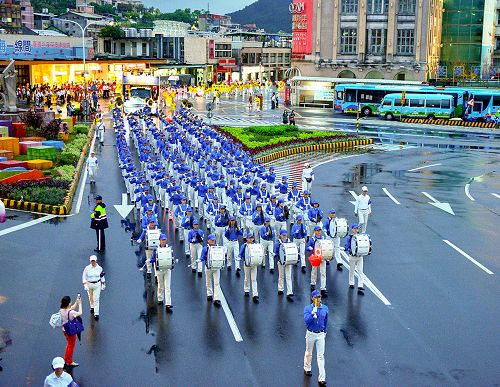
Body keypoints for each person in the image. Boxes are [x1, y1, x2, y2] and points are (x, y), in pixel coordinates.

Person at [303, 290, 328, 386]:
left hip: (320, 334)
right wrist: (312, 315)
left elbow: (326, 320)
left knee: (320, 356)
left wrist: (325, 331)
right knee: (309, 352)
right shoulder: (308, 309)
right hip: (311, 333)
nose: (318, 299)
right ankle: (307, 367)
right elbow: (306, 321)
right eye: (316, 297)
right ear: (312, 298)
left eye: (319, 297)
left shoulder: (325, 308)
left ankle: (322, 378)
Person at [150, 234, 174, 310]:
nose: (163, 241)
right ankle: (160, 298)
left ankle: (168, 303)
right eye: (162, 240)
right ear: (159, 240)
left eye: (164, 240)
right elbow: (154, 259)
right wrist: (150, 260)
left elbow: (171, 257)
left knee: (168, 286)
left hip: (167, 269)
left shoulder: (169, 249)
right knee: (160, 285)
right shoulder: (156, 249)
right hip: (159, 270)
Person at [59, 295, 82, 367]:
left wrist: (76, 302)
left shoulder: (61, 310)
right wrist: (80, 304)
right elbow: (80, 313)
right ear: (69, 303)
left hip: (65, 330)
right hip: (71, 331)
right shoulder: (71, 313)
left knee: (69, 343)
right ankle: (69, 361)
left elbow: (71, 308)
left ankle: (66, 357)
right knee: (71, 345)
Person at [199, 234, 222, 307]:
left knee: (216, 283)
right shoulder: (205, 248)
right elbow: (202, 257)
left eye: (214, 240)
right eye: (212, 240)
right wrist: (200, 260)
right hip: (208, 267)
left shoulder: (218, 247)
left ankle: (216, 298)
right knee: (208, 281)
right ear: (208, 241)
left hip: (216, 267)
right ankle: (209, 294)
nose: (213, 241)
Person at [82, 255, 106, 321]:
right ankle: (92, 306)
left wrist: (103, 283)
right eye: (91, 261)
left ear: (96, 261)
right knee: (90, 297)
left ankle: (96, 313)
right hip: (89, 283)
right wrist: (85, 285)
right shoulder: (87, 268)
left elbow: (102, 276)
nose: (93, 262)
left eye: (94, 261)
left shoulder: (99, 268)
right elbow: (84, 277)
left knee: (96, 298)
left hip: (97, 284)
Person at [307, 226, 328, 296]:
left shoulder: (323, 239)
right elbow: (307, 247)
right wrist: (310, 248)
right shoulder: (312, 239)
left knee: (323, 273)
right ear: (315, 231)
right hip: (315, 257)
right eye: (317, 231)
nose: (319, 232)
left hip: (322, 257)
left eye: (319, 231)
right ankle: (313, 283)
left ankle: (323, 288)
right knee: (314, 271)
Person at [239, 233, 260, 303]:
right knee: (247, 278)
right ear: (247, 239)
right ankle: (246, 290)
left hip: (254, 264)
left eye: (252, 238)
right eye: (250, 238)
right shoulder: (244, 246)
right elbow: (240, 254)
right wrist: (240, 257)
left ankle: (255, 294)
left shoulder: (256, 246)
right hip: (247, 264)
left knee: (254, 279)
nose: (251, 239)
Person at [345, 224, 365, 294]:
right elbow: (346, 245)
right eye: (354, 228)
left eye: (357, 229)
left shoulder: (361, 237)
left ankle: (360, 285)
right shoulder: (349, 237)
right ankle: (351, 283)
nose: (356, 230)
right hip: (352, 256)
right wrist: (346, 248)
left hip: (359, 256)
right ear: (352, 229)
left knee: (360, 271)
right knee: (351, 270)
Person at [274, 229, 294, 300]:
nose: (284, 236)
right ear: (280, 235)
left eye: (285, 235)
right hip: (281, 262)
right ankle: (280, 289)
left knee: (288, 276)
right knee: (281, 276)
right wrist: (275, 254)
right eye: (283, 235)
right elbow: (275, 252)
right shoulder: (277, 243)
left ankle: (290, 292)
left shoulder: (289, 242)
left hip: (288, 261)